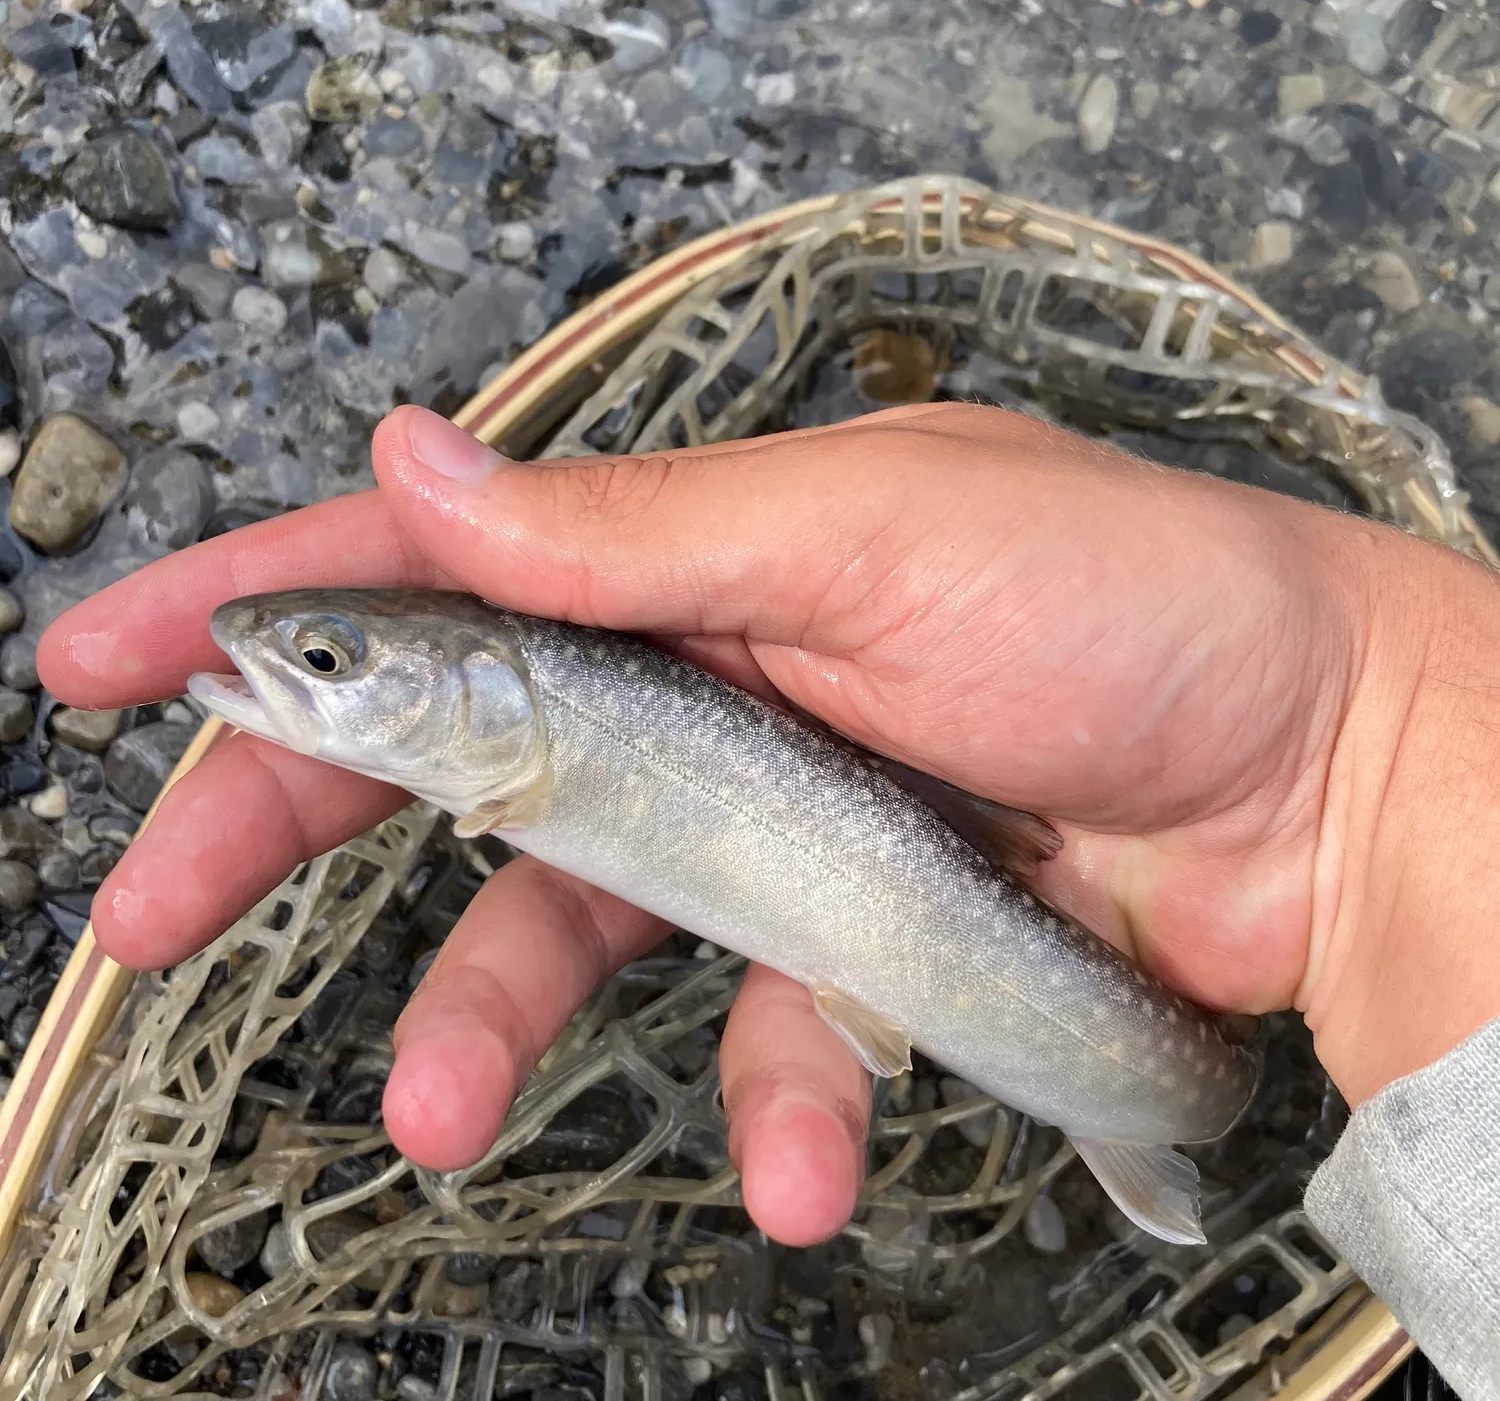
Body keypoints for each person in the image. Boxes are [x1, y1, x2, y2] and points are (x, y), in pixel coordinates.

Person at [37, 403, 1500, 1397]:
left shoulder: (546, 723)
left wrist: (1358, 739)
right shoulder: (511, 744)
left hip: (1144, 1045)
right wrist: (1366, 742)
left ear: (481, 691)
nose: (285, 671)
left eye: (333, 664)